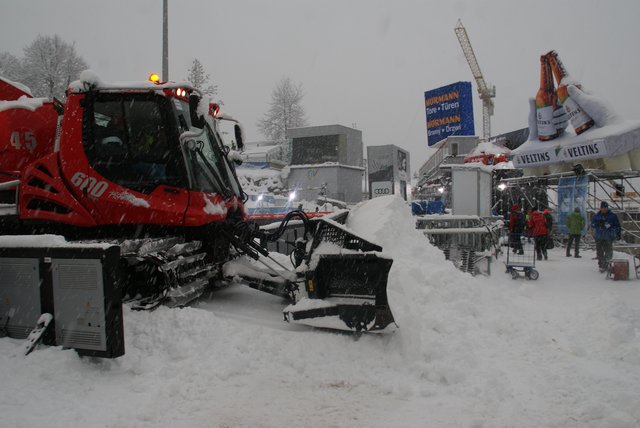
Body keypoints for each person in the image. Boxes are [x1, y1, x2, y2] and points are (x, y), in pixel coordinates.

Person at [591, 201, 621, 272]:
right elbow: (592, 225)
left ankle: (607, 264)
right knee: (600, 252)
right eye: (603, 208)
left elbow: (617, 226)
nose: (604, 209)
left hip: (608, 237)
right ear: (600, 208)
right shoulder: (596, 216)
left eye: (605, 208)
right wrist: (598, 224)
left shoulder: (613, 216)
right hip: (599, 237)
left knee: (608, 252)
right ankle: (601, 265)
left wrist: (617, 233)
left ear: (607, 208)